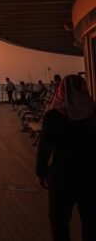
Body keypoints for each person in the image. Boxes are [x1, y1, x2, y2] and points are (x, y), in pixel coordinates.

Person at [36, 74, 96, 241]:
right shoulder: (93, 113)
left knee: (59, 222)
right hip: (91, 175)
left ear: (61, 90)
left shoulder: (53, 116)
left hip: (62, 176)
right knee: (91, 221)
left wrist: (41, 173)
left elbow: (44, 148)